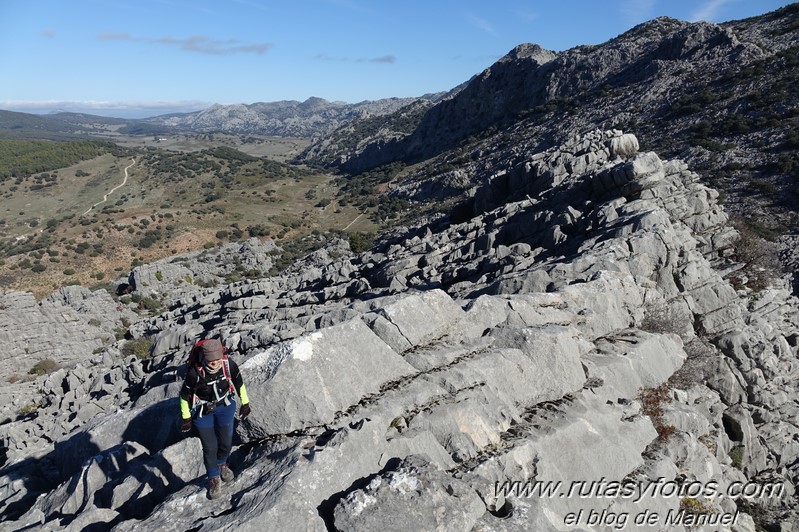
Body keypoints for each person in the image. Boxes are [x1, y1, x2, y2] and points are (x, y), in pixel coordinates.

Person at [179, 338, 251, 499]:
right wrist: (186, 418)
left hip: (225, 406)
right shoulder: (194, 374)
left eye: (217, 359)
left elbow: (239, 383)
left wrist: (245, 403)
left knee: (226, 441)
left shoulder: (228, 365)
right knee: (210, 446)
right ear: (204, 357)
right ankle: (213, 477)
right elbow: (184, 396)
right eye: (211, 360)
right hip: (202, 412)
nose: (215, 363)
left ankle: (222, 464)